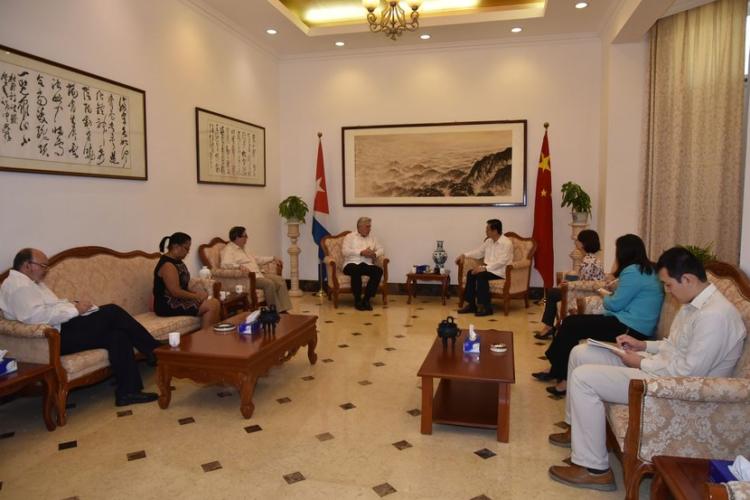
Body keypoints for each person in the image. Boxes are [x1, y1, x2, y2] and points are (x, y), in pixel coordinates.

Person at [547, 247, 746, 491]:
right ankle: (576, 431)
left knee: (583, 378)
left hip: (673, 389)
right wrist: (643, 345)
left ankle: (593, 469)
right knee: (581, 353)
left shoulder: (715, 316)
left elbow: (686, 374)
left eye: (668, 285)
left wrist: (640, 362)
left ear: (688, 279)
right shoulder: (694, 303)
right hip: (662, 368)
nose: (667, 291)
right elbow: (673, 346)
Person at [0, 248, 162, 407]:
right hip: (53, 339)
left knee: (117, 335)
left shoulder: (32, 283)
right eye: (43, 266)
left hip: (62, 328)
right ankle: (155, 350)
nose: (46, 270)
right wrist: (75, 310)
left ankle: (128, 392)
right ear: (27, 265)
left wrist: (74, 305)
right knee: (112, 312)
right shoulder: (19, 286)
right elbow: (35, 317)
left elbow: (53, 306)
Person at [533, 234, 663, 395]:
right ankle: (557, 369)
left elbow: (614, 304)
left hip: (629, 328)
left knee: (571, 324)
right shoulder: (647, 269)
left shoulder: (633, 271)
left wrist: (605, 295)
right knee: (571, 323)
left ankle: (561, 375)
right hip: (634, 325)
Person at [534, 230, 606, 340]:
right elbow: (584, 281)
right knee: (555, 292)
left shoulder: (588, 261)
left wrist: (568, 285)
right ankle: (550, 325)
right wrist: (569, 283)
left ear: (583, 243)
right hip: (586, 290)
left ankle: (548, 327)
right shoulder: (592, 258)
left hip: (585, 294)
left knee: (552, 293)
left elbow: (585, 283)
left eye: (578, 240)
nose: (576, 242)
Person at [154, 232, 220, 328]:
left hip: (178, 299)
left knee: (215, 302)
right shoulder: (168, 265)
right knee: (211, 305)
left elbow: (183, 286)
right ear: (176, 246)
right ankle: (206, 336)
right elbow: (175, 291)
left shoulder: (178, 262)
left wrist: (196, 293)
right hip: (168, 304)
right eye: (186, 248)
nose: (187, 252)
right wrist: (196, 296)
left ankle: (210, 334)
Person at [220, 226, 291, 313]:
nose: (247, 238)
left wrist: (272, 258)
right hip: (249, 278)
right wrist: (238, 266)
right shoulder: (229, 250)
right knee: (269, 284)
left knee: (280, 280)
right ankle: (274, 311)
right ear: (237, 238)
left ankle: (283, 310)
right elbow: (224, 264)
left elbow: (257, 259)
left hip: (259, 274)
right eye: (245, 236)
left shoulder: (244, 248)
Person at [456, 219, 514, 317]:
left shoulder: (507, 243)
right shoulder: (489, 241)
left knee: (481, 275)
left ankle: (486, 307)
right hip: (488, 269)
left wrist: (485, 268)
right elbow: (479, 252)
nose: (485, 231)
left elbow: (502, 262)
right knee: (471, 273)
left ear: (495, 231)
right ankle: (471, 305)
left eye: (487, 229)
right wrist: (464, 255)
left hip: (500, 271)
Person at [342, 217, 384, 311]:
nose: (370, 229)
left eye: (370, 226)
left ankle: (366, 299)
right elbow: (345, 251)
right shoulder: (349, 237)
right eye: (367, 227)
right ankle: (357, 300)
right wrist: (361, 252)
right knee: (356, 270)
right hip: (351, 263)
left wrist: (374, 254)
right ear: (359, 227)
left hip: (366, 264)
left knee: (378, 271)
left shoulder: (373, 238)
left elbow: (381, 249)